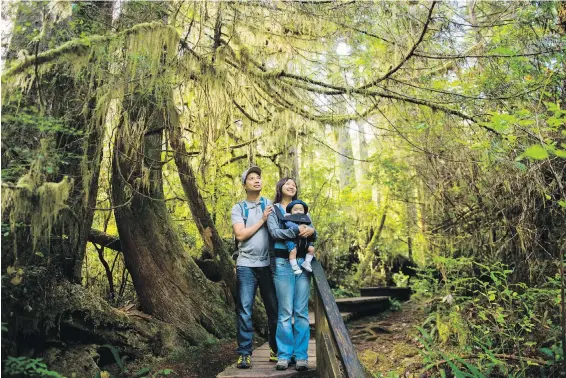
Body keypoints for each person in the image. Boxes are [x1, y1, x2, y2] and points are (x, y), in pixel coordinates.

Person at [231, 166, 278, 369]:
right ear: (245, 185)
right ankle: (244, 353)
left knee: (274, 309)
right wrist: (262, 219)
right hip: (246, 266)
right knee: (245, 310)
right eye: (251, 178)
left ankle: (276, 349)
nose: (257, 180)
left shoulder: (270, 204)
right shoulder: (239, 208)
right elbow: (240, 235)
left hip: (268, 265)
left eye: (258, 177)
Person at [267, 178, 316, 371]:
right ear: (280, 187)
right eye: (287, 183)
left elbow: (312, 232)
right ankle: (284, 355)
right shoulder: (274, 210)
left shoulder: (303, 210)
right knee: (285, 312)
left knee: (301, 312)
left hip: (303, 265)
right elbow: (274, 233)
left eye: (294, 184)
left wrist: (311, 230)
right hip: (282, 263)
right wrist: (296, 230)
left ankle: (301, 356)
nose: (291, 185)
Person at [282, 199, 316, 274]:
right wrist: (299, 227)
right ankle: (294, 266)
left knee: (311, 249)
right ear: (290, 211)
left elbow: (312, 230)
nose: (298, 211)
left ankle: (307, 262)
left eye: (301, 210)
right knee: (293, 251)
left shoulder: (306, 219)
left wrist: (310, 229)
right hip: (292, 240)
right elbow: (289, 225)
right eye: (295, 210)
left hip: (304, 241)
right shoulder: (288, 218)